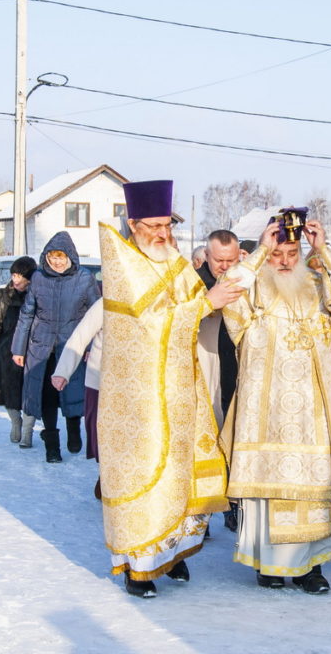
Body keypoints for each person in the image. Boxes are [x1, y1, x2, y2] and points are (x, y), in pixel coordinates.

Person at [97, 179, 242, 598]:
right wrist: (205, 304)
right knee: (145, 473)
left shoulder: (174, 260)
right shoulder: (122, 262)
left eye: (167, 225)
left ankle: (171, 554)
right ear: (133, 222)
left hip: (179, 387)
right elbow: (149, 325)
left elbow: (209, 296)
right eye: (154, 225)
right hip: (139, 398)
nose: (163, 233)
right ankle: (139, 566)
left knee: (179, 473)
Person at [220, 213, 331, 594]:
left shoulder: (318, 282)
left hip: (313, 409)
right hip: (266, 408)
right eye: (277, 252)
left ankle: (311, 567)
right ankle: (269, 564)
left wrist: (323, 249)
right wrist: (259, 250)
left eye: (291, 251)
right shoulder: (252, 286)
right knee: (269, 487)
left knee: (314, 489)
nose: (284, 260)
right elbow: (225, 288)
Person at [12, 233, 101, 464]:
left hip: (72, 347)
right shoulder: (39, 278)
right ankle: (51, 445)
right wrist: (18, 349)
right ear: (46, 257)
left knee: (72, 393)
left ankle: (73, 429)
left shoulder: (84, 279)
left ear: (70, 256)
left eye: (61, 257)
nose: (57, 262)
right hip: (42, 348)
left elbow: (97, 314)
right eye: (53, 257)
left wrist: (92, 345)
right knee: (46, 396)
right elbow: (27, 314)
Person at [196, 229, 243, 532]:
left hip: (237, 370)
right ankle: (202, 510)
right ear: (207, 255)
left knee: (234, 437)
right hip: (205, 370)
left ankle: (232, 505)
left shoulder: (245, 282)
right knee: (206, 439)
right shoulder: (194, 282)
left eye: (231, 260)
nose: (224, 267)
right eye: (218, 260)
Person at [51, 297, 103, 498]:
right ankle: (104, 475)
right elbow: (81, 335)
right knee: (100, 433)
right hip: (100, 379)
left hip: (134, 384)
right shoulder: (106, 302)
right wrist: (63, 371)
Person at [0, 256, 38, 447]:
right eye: (14, 275)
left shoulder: (38, 294)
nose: (16, 280)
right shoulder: (2, 295)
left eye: (20, 276)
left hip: (34, 351)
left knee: (32, 391)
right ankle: (16, 422)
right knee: (10, 390)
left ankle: (28, 431)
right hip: (8, 350)